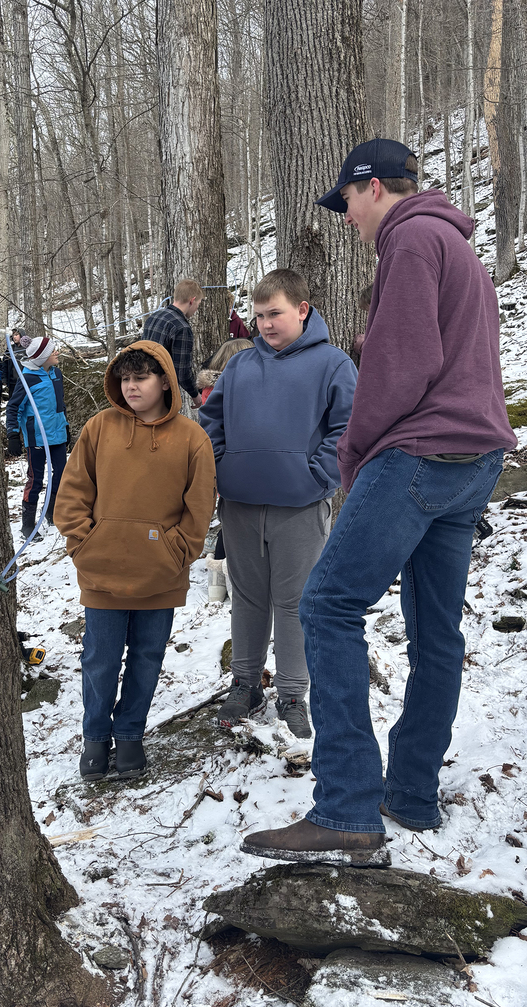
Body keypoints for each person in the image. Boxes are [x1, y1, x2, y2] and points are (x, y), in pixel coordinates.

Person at [241, 138, 517, 867]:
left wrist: (354, 454)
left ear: (369, 188)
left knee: (326, 606)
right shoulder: (454, 245)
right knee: (435, 631)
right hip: (474, 457)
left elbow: (400, 366)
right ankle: (412, 793)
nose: (344, 220)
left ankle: (345, 810)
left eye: (345, 204)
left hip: (420, 453)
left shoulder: (410, 239)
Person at [199, 269, 357, 740]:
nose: (266, 324)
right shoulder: (242, 366)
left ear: (302, 310)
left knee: (294, 601)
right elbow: (210, 420)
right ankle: (245, 684)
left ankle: (291, 692)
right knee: (247, 598)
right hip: (242, 504)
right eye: (259, 315)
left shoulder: (333, 364)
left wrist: (315, 477)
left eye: (276, 314)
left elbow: (347, 429)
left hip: (301, 507)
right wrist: (224, 467)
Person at [53, 340, 215, 781]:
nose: (130, 387)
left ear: (164, 380)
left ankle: (130, 737)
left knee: (146, 658)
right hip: (102, 570)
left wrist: (175, 553)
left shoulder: (191, 438)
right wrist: (84, 544)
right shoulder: (99, 428)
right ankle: (95, 741)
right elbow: (72, 495)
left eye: (140, 378)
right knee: (100, 660)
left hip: (160, 574)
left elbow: (198, 509)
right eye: (124, 379)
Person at [196, 337, 255, 601]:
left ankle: (217, 583)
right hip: (236, 467)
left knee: (228, 522)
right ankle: (226, 580)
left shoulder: (210, 390)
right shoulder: (236, 388)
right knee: (237, 524)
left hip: (222, 467)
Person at [6, 335, 69, 538]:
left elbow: (60, 404)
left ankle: (51, 513)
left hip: (57, 435)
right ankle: (27, 525)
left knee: (61, 474)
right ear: (42, 357)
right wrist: (13, 434)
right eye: (52, 351)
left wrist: (65, 426)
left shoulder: (56, 374)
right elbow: (13, 406)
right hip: (37, 439)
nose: (56, 352)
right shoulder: (28, 379)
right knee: (36, 479)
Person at [143, 279, 204, 408]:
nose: (196, 309)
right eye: (197, 304)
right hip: (161, 390)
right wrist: (196, 395)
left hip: (143, 383)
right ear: (192, 301)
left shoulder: (154, 317)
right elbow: (182, 372)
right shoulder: (181, 328)